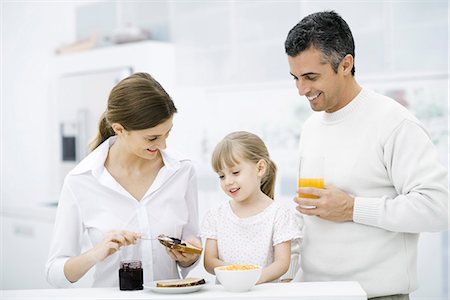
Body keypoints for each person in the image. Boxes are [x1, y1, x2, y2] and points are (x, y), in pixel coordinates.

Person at [285, 11, 448, 299]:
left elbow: (439, 208)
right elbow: (309, 217)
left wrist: (353, 208)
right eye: (295, 77)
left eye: (311, 76)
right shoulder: (311, 127)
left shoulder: (394, 123)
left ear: (346, 64)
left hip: (376, 295)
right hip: (313, 292)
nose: (302, 89)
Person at [45, 72, 201, 287]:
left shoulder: (182, 171)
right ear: (119, 129)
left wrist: (190, 256)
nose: (163, 145)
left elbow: (192, 249)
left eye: (167, 133)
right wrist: (95, 253)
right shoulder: (81, 180)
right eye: (152, 138)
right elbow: (55, 273)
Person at [200, 131, 302, 284]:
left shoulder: (279, 215)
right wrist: (238, 273)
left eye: (235, 172)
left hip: (264, 294)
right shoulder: (216, 215)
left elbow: (282, 263)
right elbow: (209, 261)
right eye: (222, 176)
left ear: (260, 168)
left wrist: (255, 278)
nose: (227, 181)